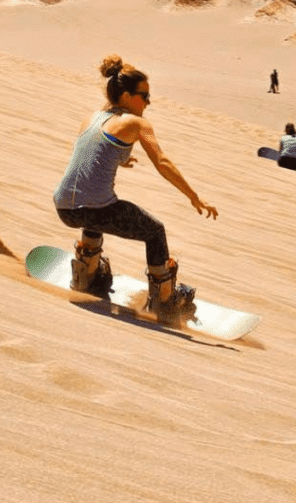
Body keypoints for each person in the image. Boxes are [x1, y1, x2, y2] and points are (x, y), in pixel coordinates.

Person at [52, 54, 218, 322]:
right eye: (144, 96)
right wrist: (194, 197)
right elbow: (162, 162)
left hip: (64, 207)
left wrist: (121, 159)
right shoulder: (136, 123)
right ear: (127, 96)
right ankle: (165, 301)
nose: (148, 102)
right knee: (154, 231)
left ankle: (87, 272)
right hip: (94, 209)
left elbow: (93, 153)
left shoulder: (92, 118)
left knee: (96, 207)